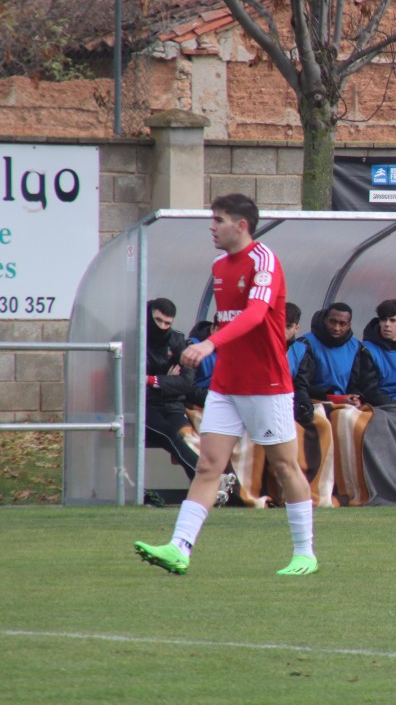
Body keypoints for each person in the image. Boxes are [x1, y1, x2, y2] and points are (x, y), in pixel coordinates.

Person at [134, 193, 318, 576]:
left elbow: (254, 315)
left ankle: (305, 553)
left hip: (266, 384)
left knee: (285, 466)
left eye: (218, 220)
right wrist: (214, 345)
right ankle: (179, 548)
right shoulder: (220, 266)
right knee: (208, 466)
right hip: (226, 385)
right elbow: (233, 321)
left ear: (241, 226)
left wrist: (208, 343)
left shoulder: (264, 260)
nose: (211, 227)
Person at [143, 298, 199, 482]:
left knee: (188, 439)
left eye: (167, 323)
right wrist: (167, 380)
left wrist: (151, 380)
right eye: (158, 320)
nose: (162, 326)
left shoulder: (177, 340)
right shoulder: (134, 339)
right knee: (169, 434)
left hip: (172, 405)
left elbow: (186, 382)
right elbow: (131, 381)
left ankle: (209, 491)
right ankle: (208, 481)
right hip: (145, 407)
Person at [300, 302, 393, 409]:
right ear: (325, 320)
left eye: (342, 324)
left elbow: (359, 384)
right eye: (332, 322)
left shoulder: (356, 347)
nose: (336, 328)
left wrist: (356, 399)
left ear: (349, 326)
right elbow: (301, 387)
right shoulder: (305, 344)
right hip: (313, 404)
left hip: (345, 404)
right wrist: (336, 399)